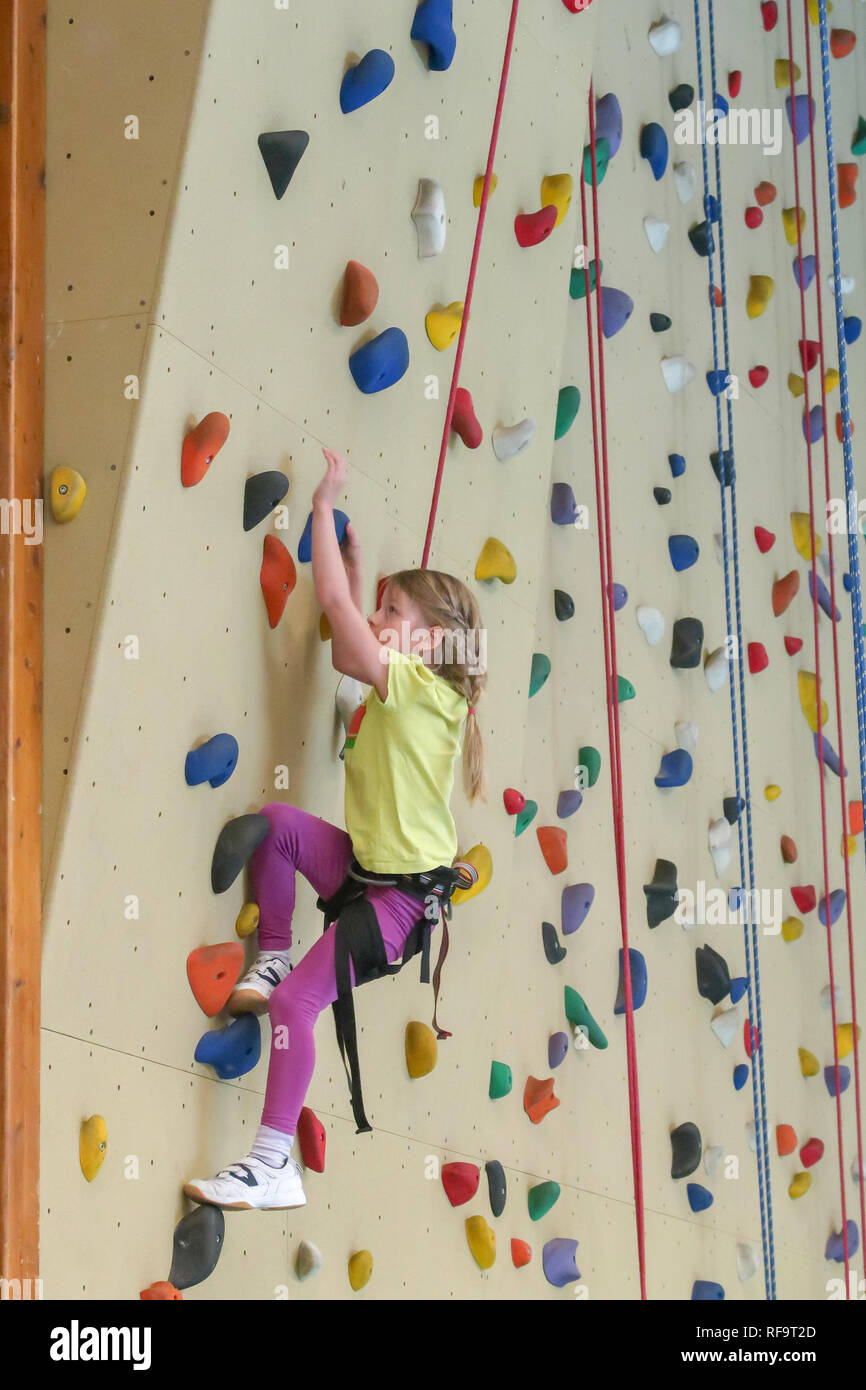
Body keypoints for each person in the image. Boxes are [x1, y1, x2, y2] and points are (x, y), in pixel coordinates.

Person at [184, 446, 487, 1210]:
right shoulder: (409, 692)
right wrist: (359, 579)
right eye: (380, 608)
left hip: (396, 908)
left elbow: (339, 622)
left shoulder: (427, 692)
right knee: (278, 827)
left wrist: (322, 507)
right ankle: (277, 956)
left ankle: (271, 1163)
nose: (379, 620)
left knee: (295, 1012)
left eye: (396, 613)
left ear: (428, 643)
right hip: (365, 870)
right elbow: (353, 657)